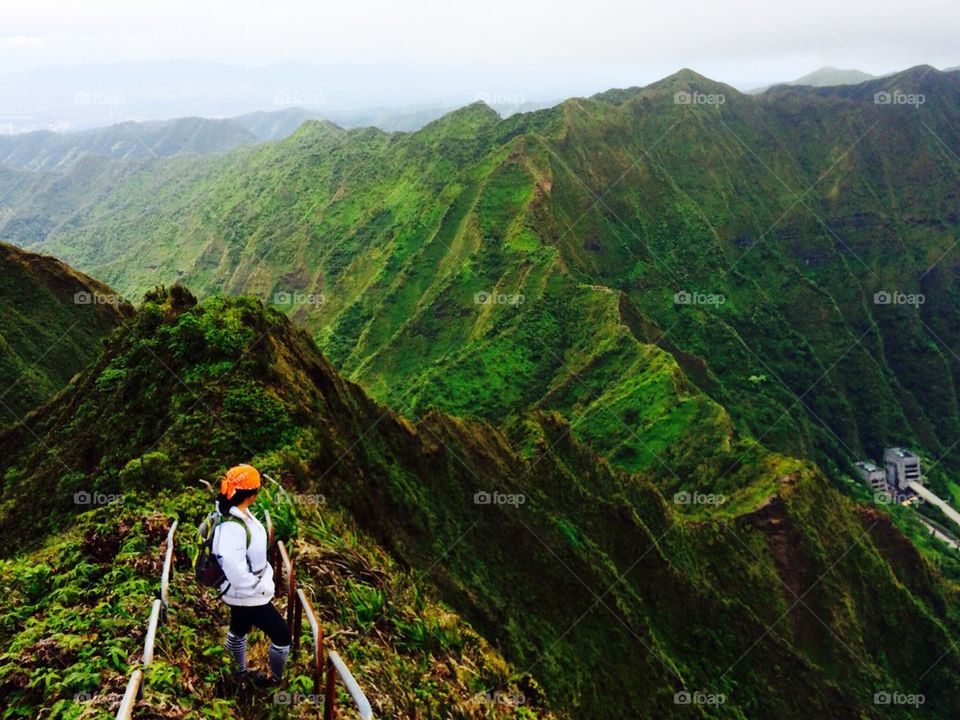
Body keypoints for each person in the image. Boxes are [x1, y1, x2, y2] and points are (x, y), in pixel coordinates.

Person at [213, 464, 291, 687]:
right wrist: (260, 588)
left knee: (239, 629)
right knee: (282, 636)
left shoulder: (240, 514)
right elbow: (234, 569)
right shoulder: (232, 527)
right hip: (248, 593)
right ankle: (275, 680)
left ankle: (236, 672)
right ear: (252, 494)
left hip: (247, 590)